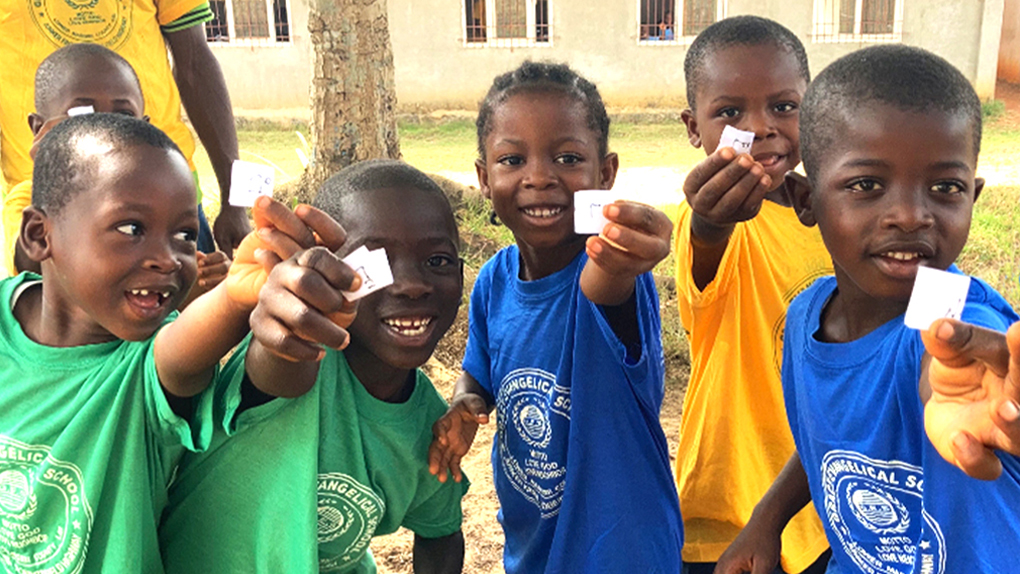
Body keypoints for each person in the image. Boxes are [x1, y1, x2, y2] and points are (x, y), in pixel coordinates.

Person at [0, 113, 351, 573]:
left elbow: (183, 350)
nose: (168, 259)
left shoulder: (143, 366)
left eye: (185, 234)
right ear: (39, 235)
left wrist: (238, 292)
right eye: (131, 228)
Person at [715, 44, 1020, 574]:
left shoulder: (950, 320)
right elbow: (829, 440)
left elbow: (945, 362)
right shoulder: (808, 315)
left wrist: (985, 400)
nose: (909, 214)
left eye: (944, 187)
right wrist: (767, 518)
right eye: (867, 185)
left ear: (972, 195)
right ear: (806, 200)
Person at [427, 61, 683, 573]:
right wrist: (466, 405)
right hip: (533, 546)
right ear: (483, 178)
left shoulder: (611, 270)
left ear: (604, 174)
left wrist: (631, 249)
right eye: (512, 159)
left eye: (567, 158)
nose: (539, 177)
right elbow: (479, 376)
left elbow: (604, 287)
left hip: (623, 554)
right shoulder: (496, 279)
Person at [160, 159, 469, 574]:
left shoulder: (431, 430)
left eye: (438, 261)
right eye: (375, 263)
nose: (412, 284)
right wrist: (292, 301)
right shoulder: (301, 354)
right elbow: (281, 358)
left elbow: (441, 532)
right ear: (326, 271)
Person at [674, 16, 830, 574]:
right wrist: (711, 224)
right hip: (726, 508)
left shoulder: (839, 219)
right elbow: (702, 251)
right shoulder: (708, 221)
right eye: (730, 113)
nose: (761, 127)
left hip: (822, 505)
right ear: (695, 128)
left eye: (785, 107)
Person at [0, 0, 250, 257]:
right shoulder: (32, 212)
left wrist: (237, 200)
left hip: (164, 194)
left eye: (122, 114)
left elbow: (195, 64)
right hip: (49, 202)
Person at [2, 44, 230, 304]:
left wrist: (202, 283)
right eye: (82, 114)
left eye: (123, 115)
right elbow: (31, 265)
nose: (107, 127)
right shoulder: (27, 198)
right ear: (39, 129)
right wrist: (51, 176)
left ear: (144, 127)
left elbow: (164, 293)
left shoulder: (158, 198)